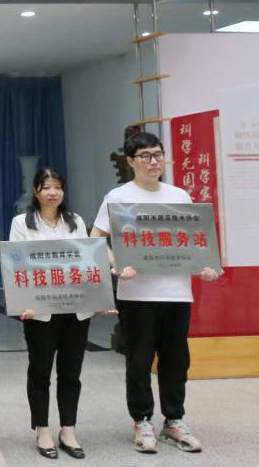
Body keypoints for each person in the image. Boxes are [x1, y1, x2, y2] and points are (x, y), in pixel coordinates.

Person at [90, 131, 220, 455]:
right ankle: (142, 420)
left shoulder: (179, 196)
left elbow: (195, 240)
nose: (154, 161)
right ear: (131, 161)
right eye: (145, 156)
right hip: (136, 294)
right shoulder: (118, 196)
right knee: (139, 360)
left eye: (158, 154)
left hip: (177, 292)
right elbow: (95, 238)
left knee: (176, 360)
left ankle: (174, 420)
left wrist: (205, 266)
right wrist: (116, 263)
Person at [9, 168, 90, 460]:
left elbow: (87, 262)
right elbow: (17, 265)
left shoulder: (75, 221)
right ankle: (42, 430)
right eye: (46, 187)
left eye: (57, 187)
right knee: (40, 372)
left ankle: (68, 430)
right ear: (36, 191)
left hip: (75, 311)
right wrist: (22, 304)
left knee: (71, 374)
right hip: (39, 312)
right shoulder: (22, 223)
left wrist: (98, 297)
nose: (52, 192)